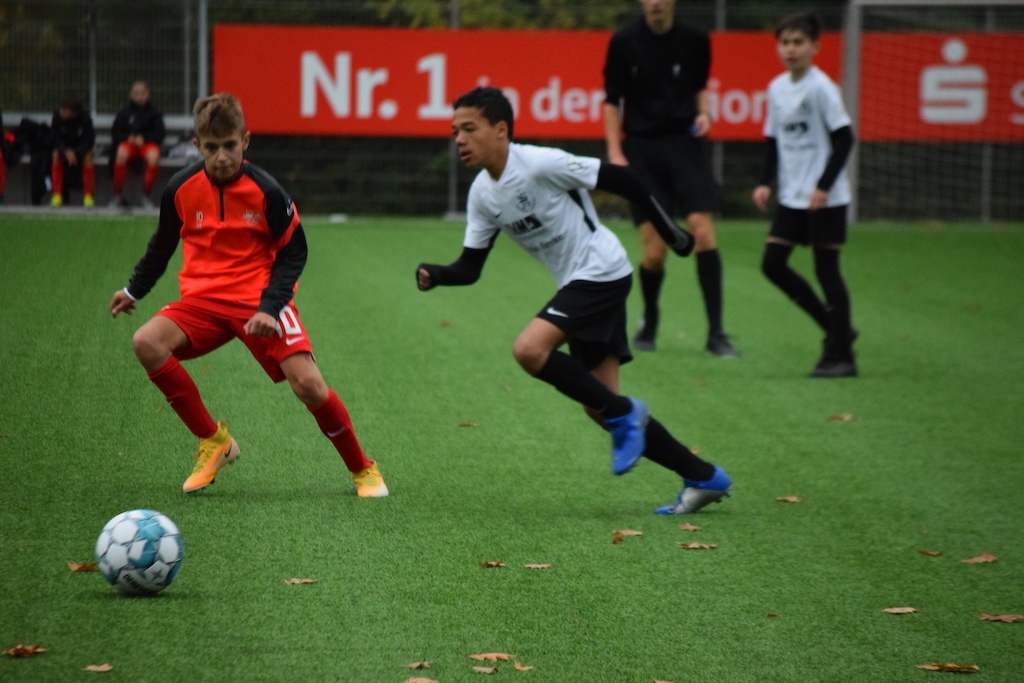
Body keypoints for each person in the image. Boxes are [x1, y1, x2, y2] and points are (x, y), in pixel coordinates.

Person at [416, 87, 732, 515]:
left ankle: (627, 414)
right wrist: (437, 274)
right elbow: (470, 267)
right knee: (599, 405)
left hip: (601, 270)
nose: (459, 139)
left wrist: (670, 232)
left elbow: (625, 179)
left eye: (469, 129)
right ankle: (703, 476)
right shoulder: (482, 195)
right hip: (582, 281)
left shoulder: (539, 164)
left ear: (500, 130)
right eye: (455, 131)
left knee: (530, 349)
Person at [109, 93, 388, 497]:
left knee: (309, 385)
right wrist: (133, 289)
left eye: (230, 145)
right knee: (146, 342)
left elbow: (294, 253)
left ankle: (363, 469)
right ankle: (215, 442)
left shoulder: (267, 190)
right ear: (197, 145)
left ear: (245, 140)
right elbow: (162, 246)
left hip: (259, 300)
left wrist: (271, 307)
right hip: (203, 301)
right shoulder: (180, 188)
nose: (222, 156)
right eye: (212, 147)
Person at [603, 0, 737, 357]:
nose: (656, 2)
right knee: (654, 252)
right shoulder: (624, 42)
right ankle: (650, 317)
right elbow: (612, 101)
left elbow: (700, 87)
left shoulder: (695, 39)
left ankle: (717, 333)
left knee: (703, 232)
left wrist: (705, 115)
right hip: (642, 151)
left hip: (685, 147)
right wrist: (615, 153)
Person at [752, 13, 857, 378]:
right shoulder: (777, 87)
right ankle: (837, 330)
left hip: (825, 198)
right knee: (772, 264)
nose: (791, 50)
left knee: (827, 271)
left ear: (815, 47)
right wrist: (764, 182)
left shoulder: (822, 87)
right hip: (792, 196)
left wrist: (824, 186)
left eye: (798, 42)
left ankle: (842, 357)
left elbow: (845, 139)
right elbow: (773, 140)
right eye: (785, 42)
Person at [109, 80, 165, 208]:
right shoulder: (124, 112)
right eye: (136, 93)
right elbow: (115, 133)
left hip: (147, 144)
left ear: (148, 94)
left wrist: (144, 139)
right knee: (121, 153)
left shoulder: (154, 113)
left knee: (154, 156)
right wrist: (129, 138)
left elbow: (160, 134)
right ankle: (117, 195)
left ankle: (146, 196)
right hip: (129, 143)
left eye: (142, 93)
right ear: (131, 94)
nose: (140, 96)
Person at [49, 93, 96, 208]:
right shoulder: (57, 117)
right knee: (56, 155)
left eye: (66, 110)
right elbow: (55, 138)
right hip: (64, 149)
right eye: (62, 108)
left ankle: (88, 196)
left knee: (88, 157)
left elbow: (88, 141)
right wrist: (66, 151)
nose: (62, 112)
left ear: (75, 113)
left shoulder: (85, 119)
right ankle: (57, 195)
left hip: (79, 149)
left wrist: (75, 152)